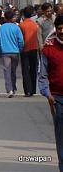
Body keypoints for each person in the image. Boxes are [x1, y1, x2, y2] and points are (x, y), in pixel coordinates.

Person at [38, 15, 63, 172]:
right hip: (58, 98)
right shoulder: (49, 48)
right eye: (60, 28)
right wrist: (47, 94)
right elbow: (42, 75)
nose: (62, 31)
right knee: (61, 136)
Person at [0, 9, 24, 97]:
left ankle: (9, 89)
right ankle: (14, 88)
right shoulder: (16, 28)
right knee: (13, 71)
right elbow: (21, 41)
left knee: (7, 71)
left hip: (5, 52)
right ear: (12, 18)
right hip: (15, 52)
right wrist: (20, 49)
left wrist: (0, 50)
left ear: (5, 18)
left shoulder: (0, 28)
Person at [19, 5, 39, 97]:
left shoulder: (21, 25)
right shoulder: (35, 24)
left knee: (25, 70)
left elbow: (19, 38)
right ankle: (33, 89)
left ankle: (27, 90)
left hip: (24, 49)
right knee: (33, 69)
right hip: (34, 48)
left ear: (23, 14)